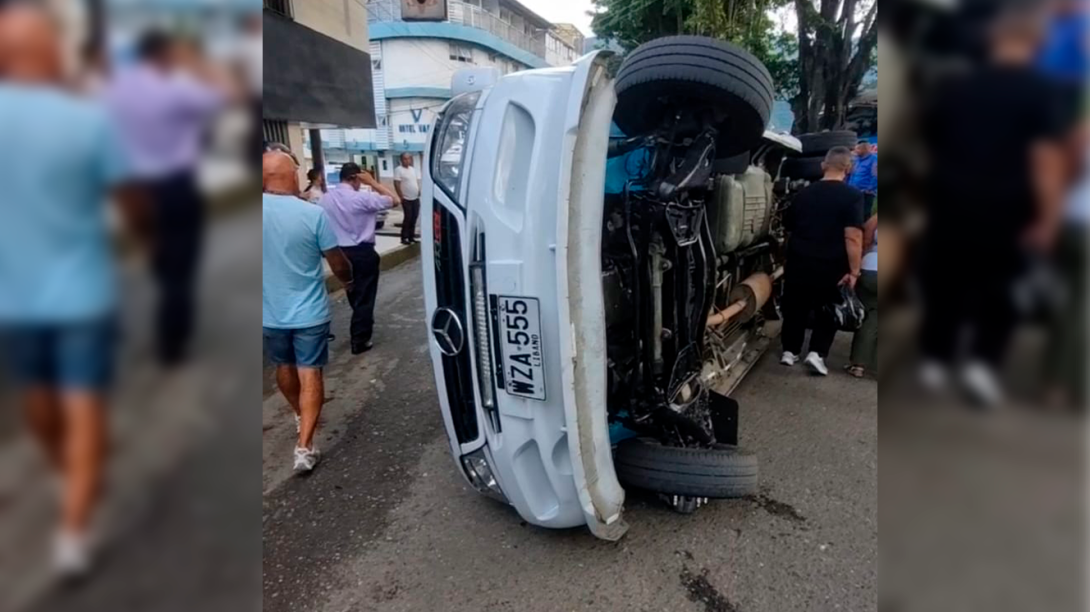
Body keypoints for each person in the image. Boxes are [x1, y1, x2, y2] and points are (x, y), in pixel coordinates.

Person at [0, 3, 142, 576]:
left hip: (15, 299)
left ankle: (67, 476)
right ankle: (74, 533)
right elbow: (130, 201)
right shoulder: (89, 121)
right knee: (84, 408)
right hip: (82, 292)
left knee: (40, 402)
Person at [919, 6, 1073, 406]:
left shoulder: (955, 88)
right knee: (1000, 291)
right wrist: (1049, 218)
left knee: (946, 286)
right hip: (1009, 210)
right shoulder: (1043, 92)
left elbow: (932, 146)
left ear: (993, 42)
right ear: (1035, 45)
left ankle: (936, 361)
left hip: (950, 204)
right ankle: (981, 367)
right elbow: (1046, 159)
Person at [105, 30, 238, 366]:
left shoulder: (120, 89)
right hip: (176, 186)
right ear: (166, 55)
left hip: (133, 186)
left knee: (152, 258)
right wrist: (196, 64)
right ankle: (172, 344)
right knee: (179, 270)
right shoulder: (178, 89)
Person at [263, 151, 353, 472]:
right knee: (310, 371)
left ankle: (300, 414)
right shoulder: (311, 214)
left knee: (283, 365)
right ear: (289, 176)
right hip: (309, 312)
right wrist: (348, 280)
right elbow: (337, 261)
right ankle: (304, 447)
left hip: (269, 311)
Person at [781, 147, 865, 376]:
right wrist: (855, 270)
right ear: (849, 168)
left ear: (823, 166)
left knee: (796, 307)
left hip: (799, 259)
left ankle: (789, 351)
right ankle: (817, 353)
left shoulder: (802, 195)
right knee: (828, 310)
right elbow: (853, 236)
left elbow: (788, 227)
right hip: (832, 264)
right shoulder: (853, 196)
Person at [317, 163, 400, 354]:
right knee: (365, 296)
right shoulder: (362, 198)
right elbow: (394, 200)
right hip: (361, 252)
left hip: (338, 252)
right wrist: (373, 182)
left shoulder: (325, 199)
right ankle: (360, 338)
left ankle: (359, 325)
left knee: (353, 291)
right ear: (355, 177)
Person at [848, 212, 879, 378]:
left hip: (871, 269)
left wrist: (856, 267)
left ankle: (858, 366)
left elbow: (865, 239)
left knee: (869, 318)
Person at [394, 152, 421, 245]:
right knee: (408, 217)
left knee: (414, 217)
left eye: (409, 158)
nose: (407, 160)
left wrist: (418, 190)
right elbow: (396, 183)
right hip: (406, 198)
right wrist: (401, 196)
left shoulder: (413, 170)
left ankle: (411, 237)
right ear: (401, 160)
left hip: (415, 197)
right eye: (405, 159)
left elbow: (415, 181)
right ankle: (404, 237)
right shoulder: (399, 170)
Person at [847, 141, 878, 218]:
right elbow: (852, 174)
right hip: (853, 191)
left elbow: (875, 176)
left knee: (864, 214)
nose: (856, 151)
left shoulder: (874, 160)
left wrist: (869, 189)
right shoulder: (856, 160)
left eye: (858, 148)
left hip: (866, 193)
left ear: (865, 149)